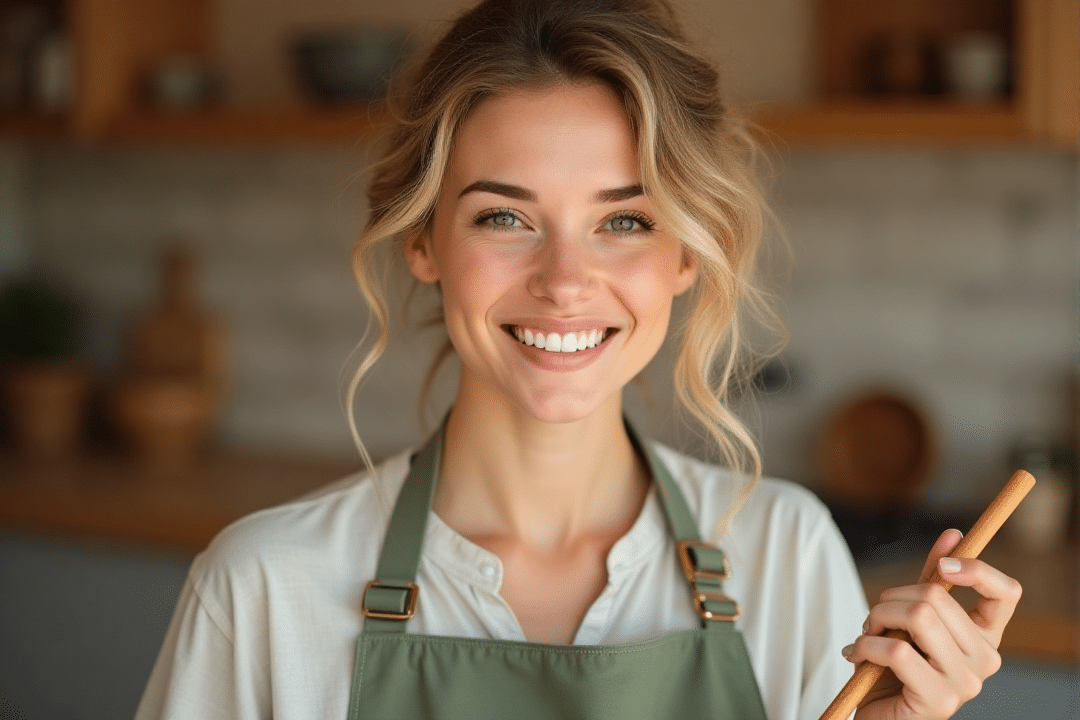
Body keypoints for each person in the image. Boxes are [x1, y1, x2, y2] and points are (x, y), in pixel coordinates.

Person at [136, 1, 1021, 718]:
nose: (565, 282)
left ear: (686, 254)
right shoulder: (264, 588)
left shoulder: (783, 556)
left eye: (625, 220)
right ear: (424, 241)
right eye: (504, 216)